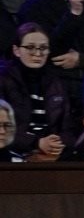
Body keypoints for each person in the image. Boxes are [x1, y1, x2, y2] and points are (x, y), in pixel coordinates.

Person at [0, 21, 71, 159]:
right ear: (16, 50)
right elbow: (3, 130)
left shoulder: (56, 82)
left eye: (43, 48)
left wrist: (58, 143)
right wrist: (36, 143)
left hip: (51, 153)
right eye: (30, 47)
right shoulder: (3, 79)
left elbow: (68, 127)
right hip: (13, 152)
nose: (37, 53)